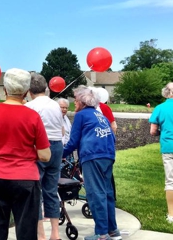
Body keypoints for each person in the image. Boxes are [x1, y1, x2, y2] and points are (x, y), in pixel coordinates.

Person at [0, 69, 51, 240]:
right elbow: (45, 155)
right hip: (25, 177)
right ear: (26, 92)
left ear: (5, 90)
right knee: (26, 229)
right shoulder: (33, 116)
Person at [63, 86, 120, 240]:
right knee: (107, 193)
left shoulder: (81, 116)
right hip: (107, 155)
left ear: (82, 102)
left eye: (75, 100)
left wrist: (59, 155)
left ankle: (101, 234)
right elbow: (112, 136)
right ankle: (112, 230)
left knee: (96, 195)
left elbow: (73, 142)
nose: (74, 103)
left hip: (92, 156)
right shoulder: (100, 115)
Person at [25, 73, 63, 240]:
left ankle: (40, 234)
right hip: (57, 145)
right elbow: (61, 129)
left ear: (29, 90)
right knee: (51, 190)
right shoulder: (55, 104)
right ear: (45, 88)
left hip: (40, 147)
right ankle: (55, 233)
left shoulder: (30, 106)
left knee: (36, 191)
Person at [149, 82, 173, 224]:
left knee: (171, 181)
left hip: (169, 147)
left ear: (166, 93)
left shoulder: (160, 108)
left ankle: (172, 216)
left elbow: (153, 131)